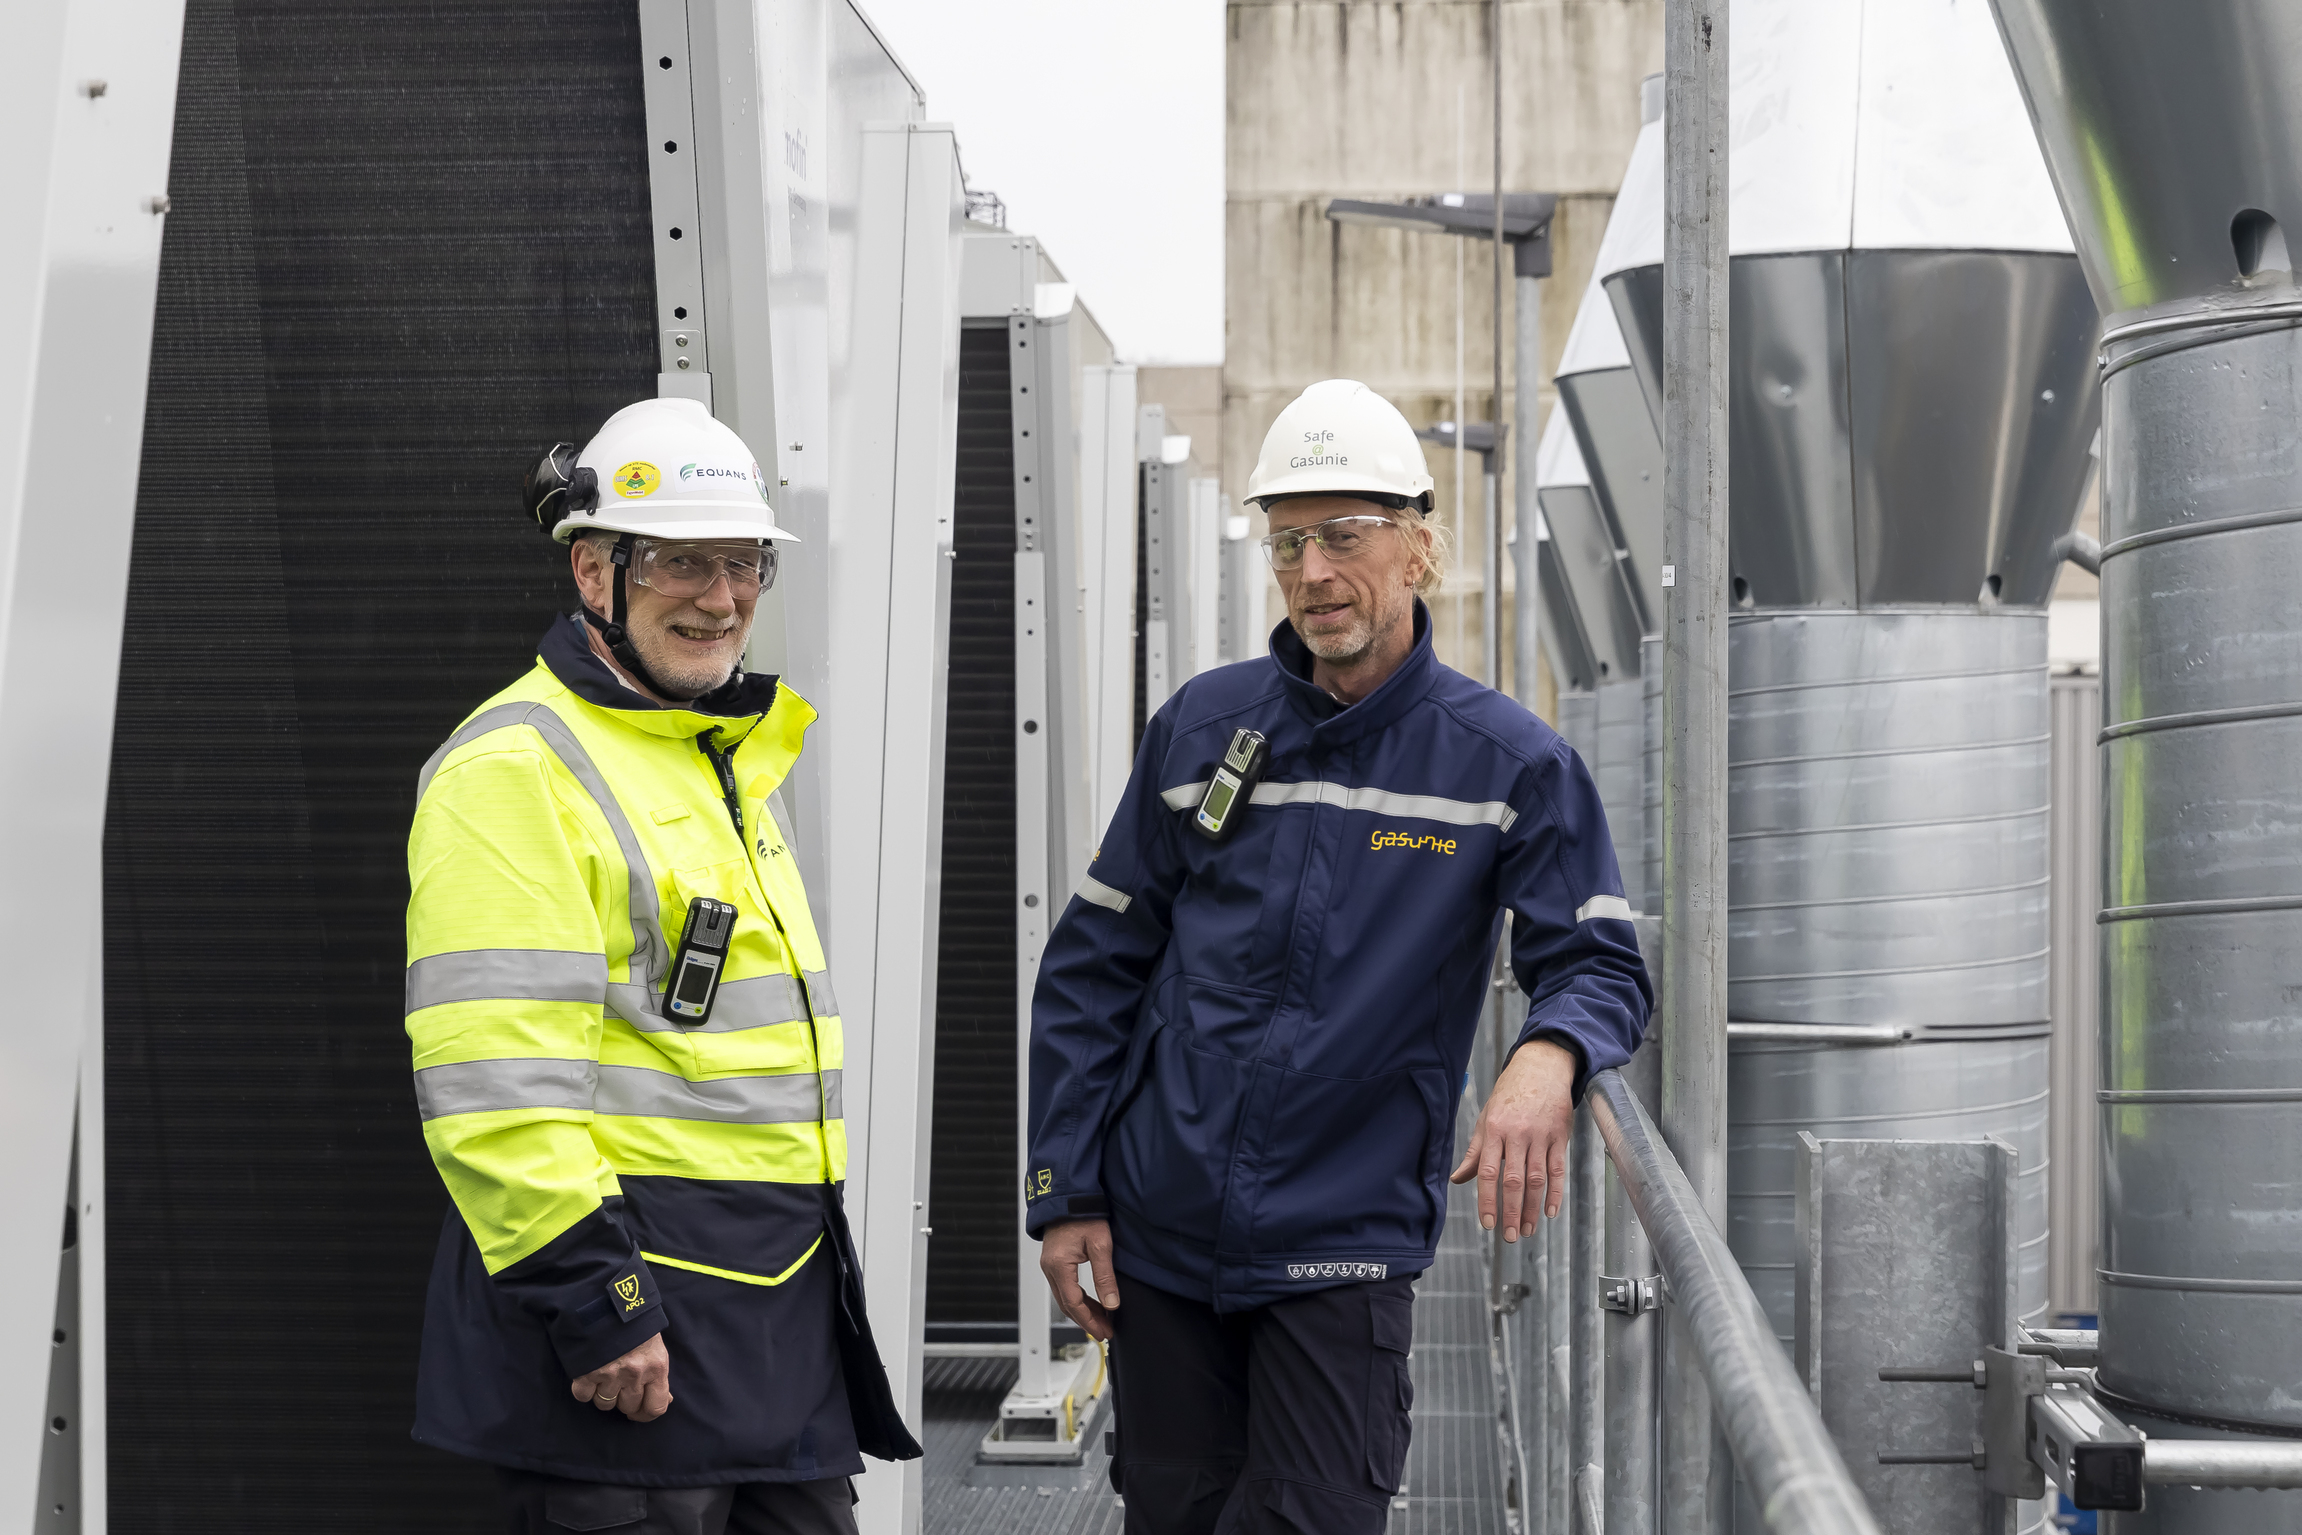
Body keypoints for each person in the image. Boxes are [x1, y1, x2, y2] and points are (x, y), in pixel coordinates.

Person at [1025, 379, 1651, 1535]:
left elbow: (1600, 955)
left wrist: (1547, 1053)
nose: (1313, 573)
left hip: (1341, 1243)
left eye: (1344, 538)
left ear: (1419, 544)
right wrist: (1067, 1190)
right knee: (1171, 1512)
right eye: (1290, 542)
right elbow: (1093, 963)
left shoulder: (1506, 764)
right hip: (1161, 1235)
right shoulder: (1204, 731)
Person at [404, 396, 919, 1533]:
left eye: (743, 564)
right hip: (634, 1344)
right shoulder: (515, 768)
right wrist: (599, 1303)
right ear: (596, 572)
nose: (722, 596)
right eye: (683, 560)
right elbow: (494, 1084)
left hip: (769, 1323)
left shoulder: (713, 761)